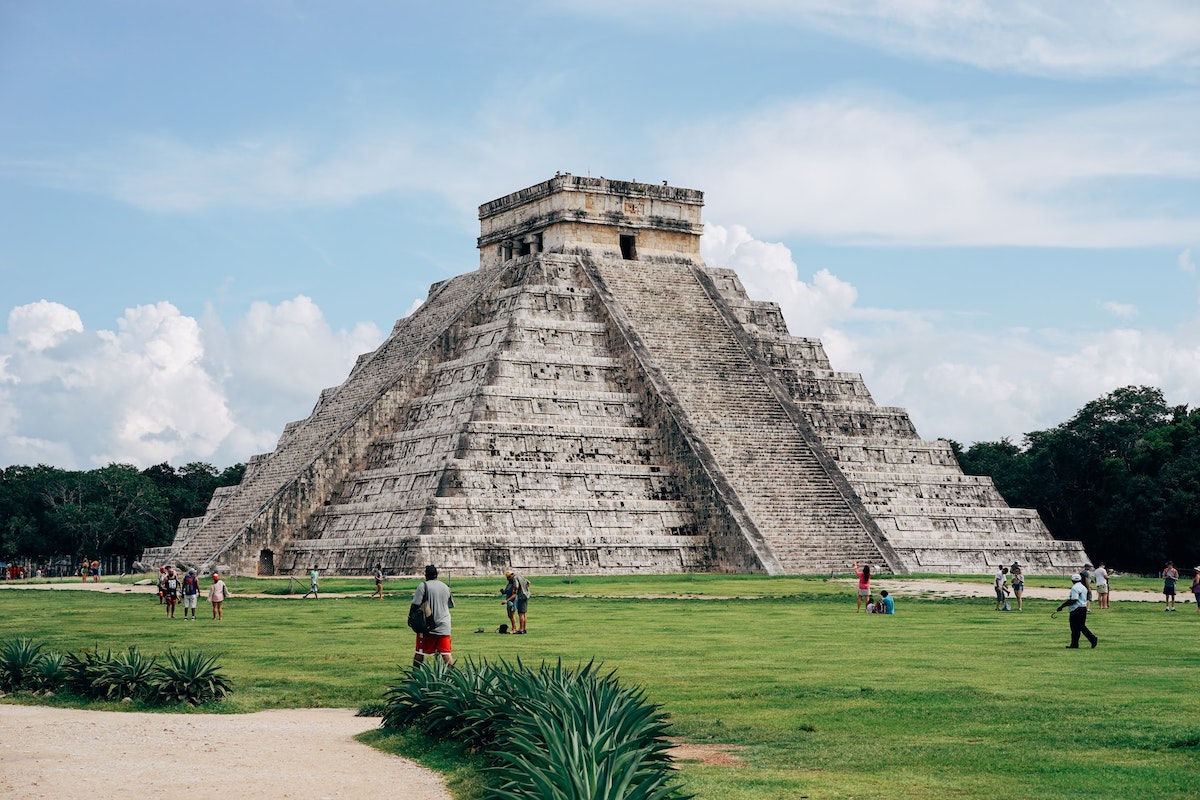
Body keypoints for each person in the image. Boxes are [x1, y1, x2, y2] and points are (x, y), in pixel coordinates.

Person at [412, 565, 454, 668]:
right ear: (437, 574)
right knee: (446, 653)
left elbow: (415, 605)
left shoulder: (423, 586)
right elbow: (450, 605)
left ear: (426, 575)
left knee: (420, 652)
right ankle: (454, 677)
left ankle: (415, 676)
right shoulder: (445, 587)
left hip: (428, 625)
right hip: (444, 625)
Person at [1056, 572, 1097, 649]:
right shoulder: (1083, 587)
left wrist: (1062, 606)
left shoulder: (1075, 588)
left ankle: (1092, 639)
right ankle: (1074, 644)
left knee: (1077, 627)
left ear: (1072, 580)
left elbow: (1074, 600)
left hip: (1076, 609)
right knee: (1078, 627)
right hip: (1083, 608)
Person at [506, 569, 531, 634]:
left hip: (521, 596)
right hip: (526, 595)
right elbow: (528, 583)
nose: (509, 580)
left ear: (510, 576)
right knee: (524, 613)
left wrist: (515, 591)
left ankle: (521, 629)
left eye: (508, 578)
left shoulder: (514, 578)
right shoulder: (520, 576)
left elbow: (516, 586)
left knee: (521, 614)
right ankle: (524, 629)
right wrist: (526, 589)